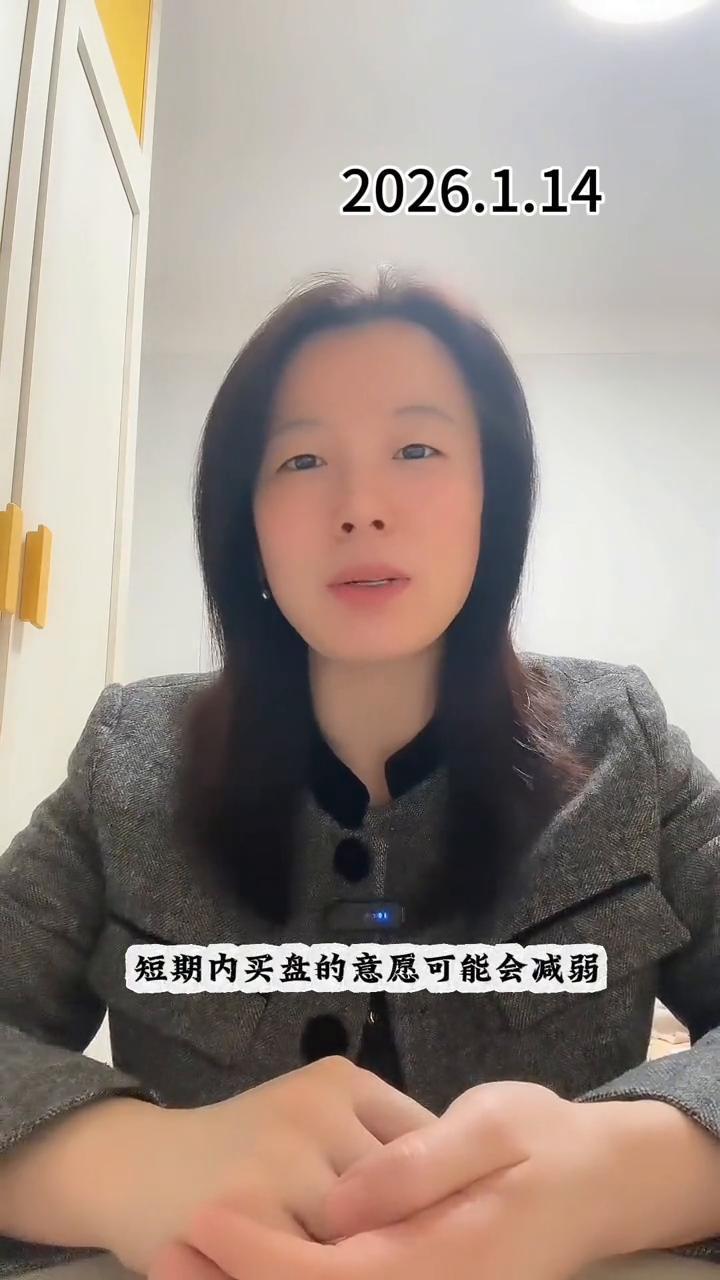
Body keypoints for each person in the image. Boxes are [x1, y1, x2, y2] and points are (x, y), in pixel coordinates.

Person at [1, 272, 719, 1280]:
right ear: (245, 518)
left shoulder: (624, 742)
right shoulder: (131, 753)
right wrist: (122, 1161)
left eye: (417, 449)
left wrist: (621, 1170)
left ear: (494, 497)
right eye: (300, 459)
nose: (361, 508)